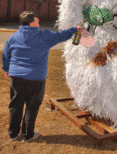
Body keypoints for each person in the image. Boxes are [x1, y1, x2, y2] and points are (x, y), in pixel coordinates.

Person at [2, 11, 85, 142]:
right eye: (36, 18)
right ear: (30, 23)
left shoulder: (14, 37)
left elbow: (6, 55)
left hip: (16, 77)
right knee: (32, 106)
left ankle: (13, 134)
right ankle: (28, 135)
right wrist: (76, 29)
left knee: (15, 104)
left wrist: (6, 68)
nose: (39, 19)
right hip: (35, 78)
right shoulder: (44, 36)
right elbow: (61, 35)